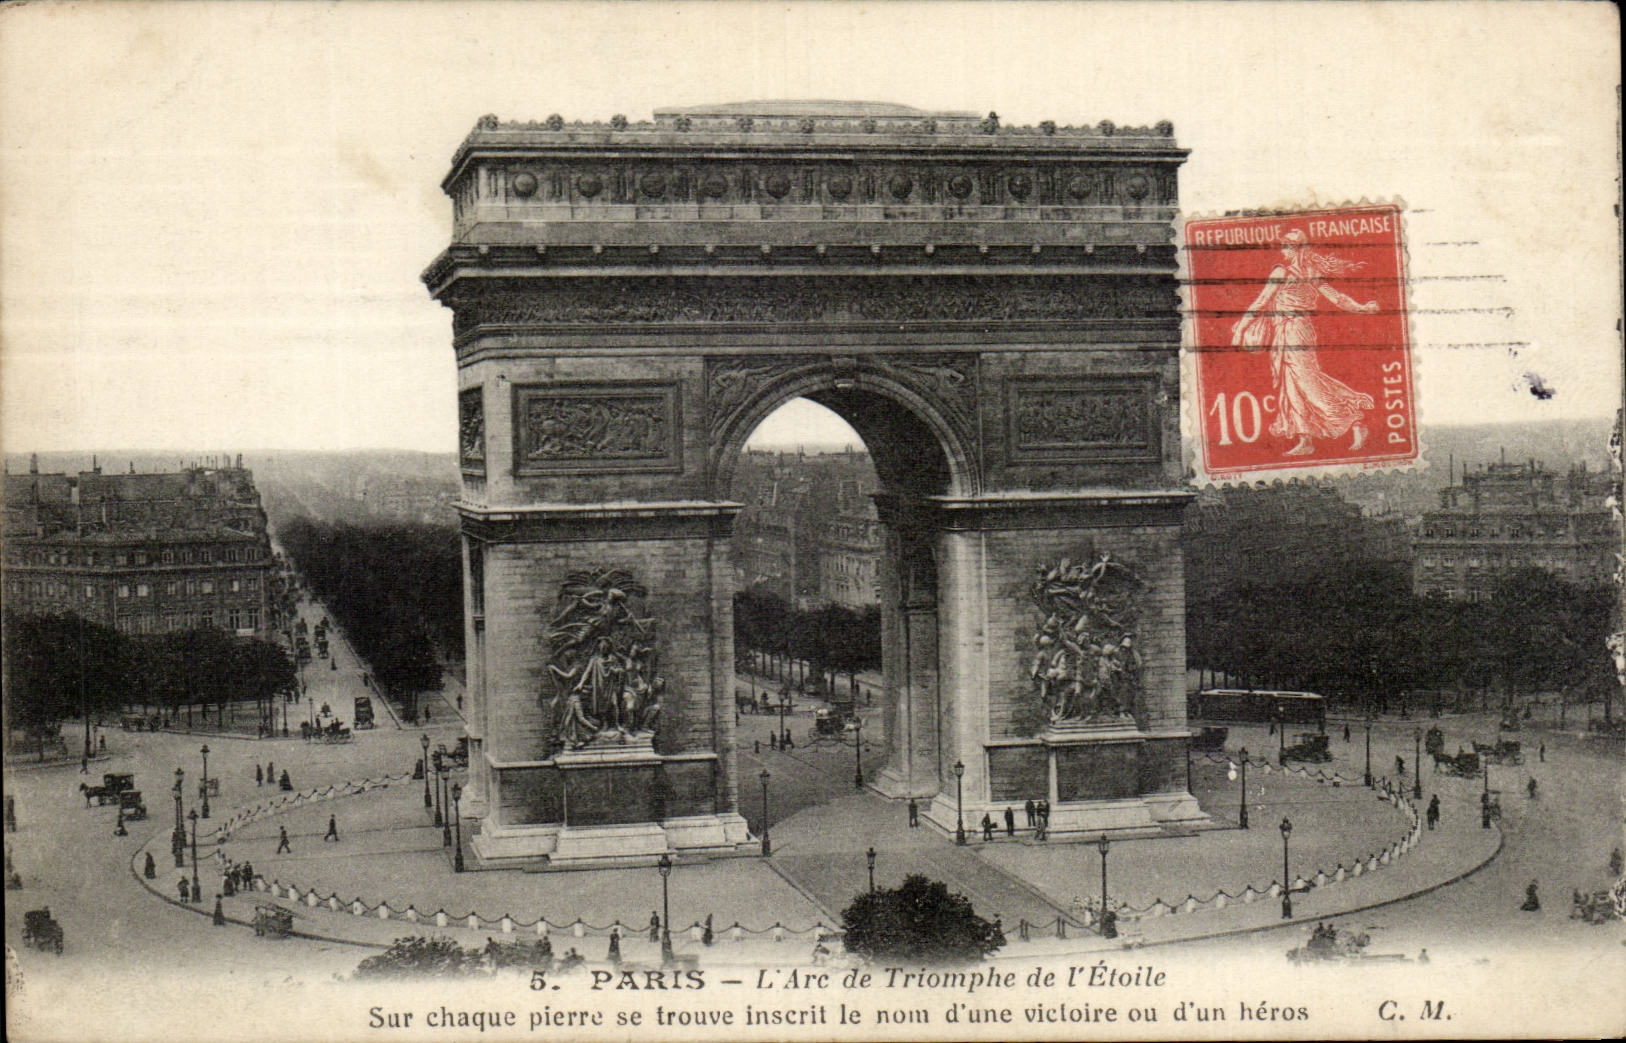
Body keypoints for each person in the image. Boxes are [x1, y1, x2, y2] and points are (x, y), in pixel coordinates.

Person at [1230, 228, 1381, 457]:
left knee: (1308, 382)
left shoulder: (1284, 272)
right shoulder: (1311, 272)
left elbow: (1260, 302)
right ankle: (1305, 438)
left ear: (1295, 249)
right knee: (1292, 385)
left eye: (1286, 246)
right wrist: (1361, 308)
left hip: (1294, 331)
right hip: (1291, 331)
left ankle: (1354, 420)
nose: (1283, 250)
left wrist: (1240, 330)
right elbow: (1338, 298)